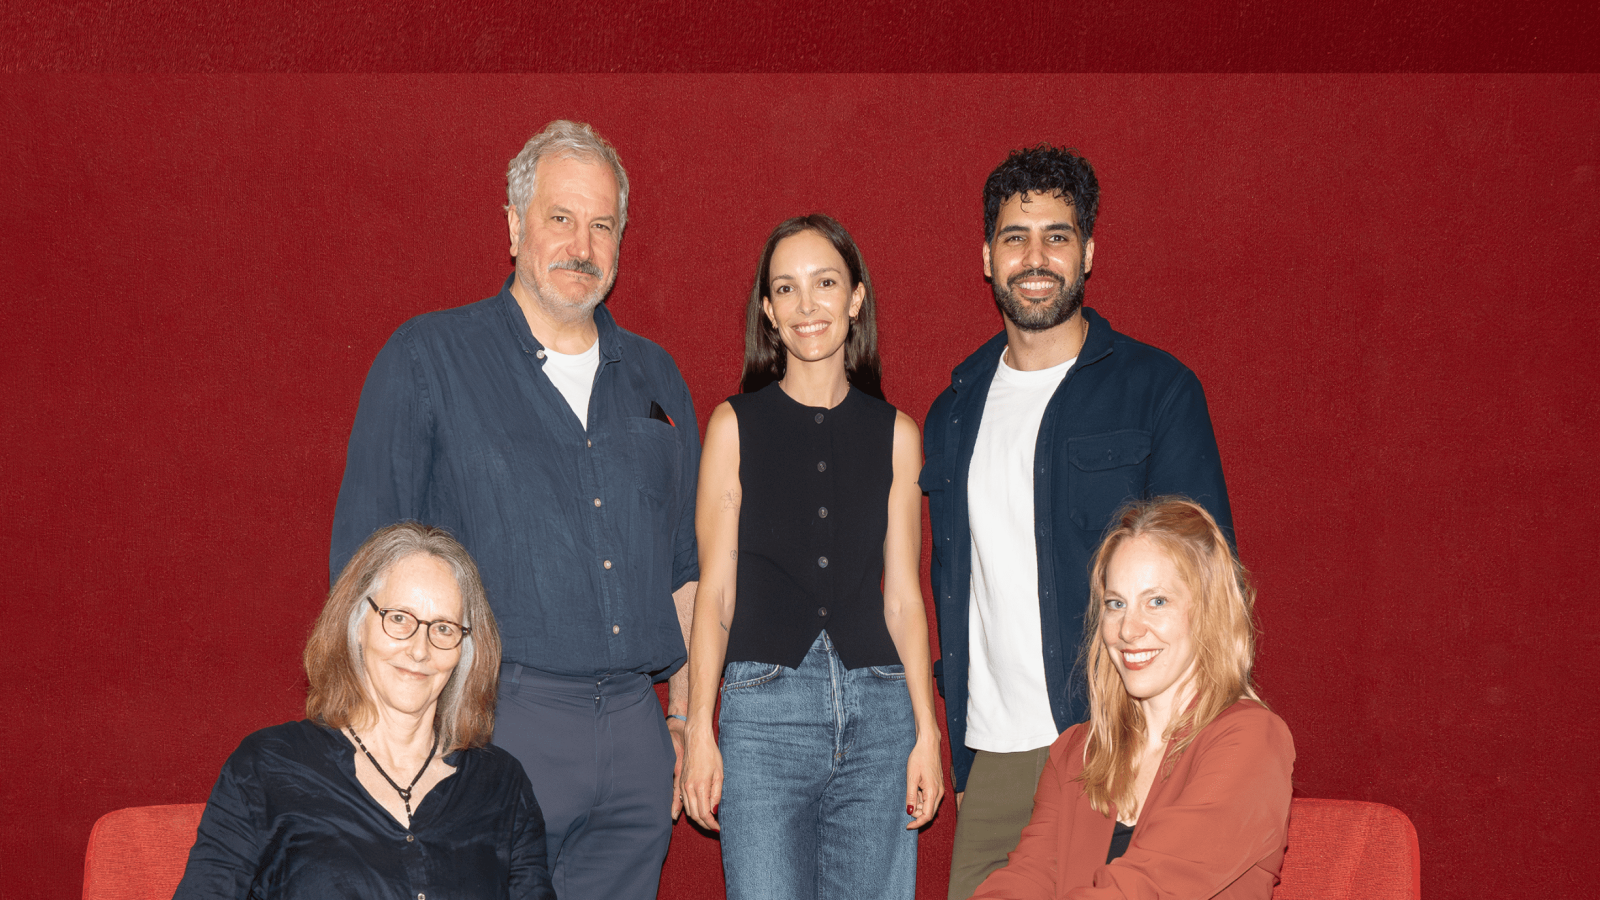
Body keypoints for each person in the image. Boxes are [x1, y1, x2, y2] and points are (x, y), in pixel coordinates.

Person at [329, 120, 700, 900]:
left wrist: (685, 723)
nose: (582, 244)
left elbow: (686, 573)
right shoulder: (428, 359)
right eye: (560, 218)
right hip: (491, 723)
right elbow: (364, 572)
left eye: (603, 225)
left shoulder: (658, 379)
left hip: (637, 734)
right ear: (513, 226)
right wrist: (387, 744)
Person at [923, 144, 1234, 899]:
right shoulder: (953, 411)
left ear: (1088, 251)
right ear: (986, 257)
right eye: (1014, 237)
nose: (1035, 257)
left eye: (1056, 236)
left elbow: (1208, 584)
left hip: (1121, 744)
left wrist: (1177, 752)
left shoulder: (1158, 391)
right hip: (991, 759)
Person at [679, 214, 944, 899]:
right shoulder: (733, 427)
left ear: (855, 298)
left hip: (883, 716)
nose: (807, 305)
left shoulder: (897, 435)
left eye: (825, 283)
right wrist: (702, 732)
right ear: (767, 312)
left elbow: (904, 597)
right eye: (787, 289)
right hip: (764, 718)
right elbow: (716, 596)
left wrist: (926, 732)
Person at [174, 522, 553, 899]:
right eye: (399, 619)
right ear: (358, 624)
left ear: (464, 648)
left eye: (443, 628)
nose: (420, 650)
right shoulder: (266, 767)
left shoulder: (503, 785)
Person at [970, 498, 1293, 899]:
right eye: (1115, 604)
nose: (1128, 629)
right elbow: (1025, 879)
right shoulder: (1077, 751)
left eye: (1157, 601)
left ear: (1209, 611)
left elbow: (1145, 888)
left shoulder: (1251, 739)